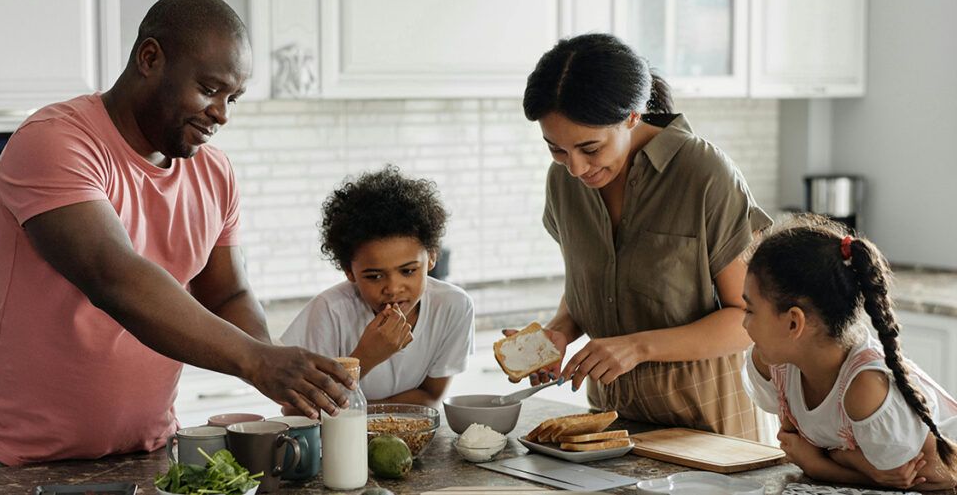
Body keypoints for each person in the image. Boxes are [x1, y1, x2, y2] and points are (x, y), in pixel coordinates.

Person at [0, 0, 354, 471]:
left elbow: (228, 293)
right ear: (150, 58)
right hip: (21, 463)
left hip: (149, 454)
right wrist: (256, 361)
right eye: (210, 89)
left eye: (233, 98)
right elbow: (115, 277)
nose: (222, 113)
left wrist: (278, 371)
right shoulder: (55, 142)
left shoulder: (214, 172)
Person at [513, 33, 773, 439]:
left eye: (590, 149)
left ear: (633, 116)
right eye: (557, 150)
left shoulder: (703, 173)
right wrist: (559, 333)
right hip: (611, 430)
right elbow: (591, 287)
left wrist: (637, 347)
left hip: (711, 431)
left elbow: (750, 320)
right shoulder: (563, 183)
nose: (577, 169)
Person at [741, 216, 957, 491]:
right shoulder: (775, 364)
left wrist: (821, 465)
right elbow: (799, 445)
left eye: (750, 310)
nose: (744, 323)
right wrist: (851, 461)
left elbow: (933, 478)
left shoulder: (865, 388)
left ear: (794, 323)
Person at [281, 166, 475, 406]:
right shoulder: (330, 312)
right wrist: (365, 357)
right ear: (349, 271)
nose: (393, 288)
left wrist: (362, 414)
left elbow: (430, 396)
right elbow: (295, 408)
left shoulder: (453, 306)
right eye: (374, 276)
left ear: (432, 257)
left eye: (408, 271)